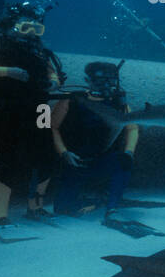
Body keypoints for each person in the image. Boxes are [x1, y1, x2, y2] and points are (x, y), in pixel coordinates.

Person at [51, 61, 150, 234]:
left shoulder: (120, 104)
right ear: (87, 80)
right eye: (100, 80)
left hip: (103, 159)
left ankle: (112, 208)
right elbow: (53, 127)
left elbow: (132, 128)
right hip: (74, 160)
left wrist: (129, 152)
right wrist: (64, 153)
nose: (106, 85)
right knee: (63, 208)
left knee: (124, 163)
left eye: (110, 80)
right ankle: (96, 200)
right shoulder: (71, 100)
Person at [0, 0, 64, 239]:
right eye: (26, 27)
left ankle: (36, 208)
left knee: (46, 156)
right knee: (8, 160)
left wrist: (54, 81)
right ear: (12, 24)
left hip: (40, 109)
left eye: (37, 28)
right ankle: (0, 216)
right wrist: (7, 72)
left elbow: (51, 72)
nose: (32, 33)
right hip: (8, 109)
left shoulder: (40, 50)